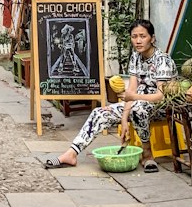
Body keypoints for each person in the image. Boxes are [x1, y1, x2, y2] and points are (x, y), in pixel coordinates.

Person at [45, 19, 174, 174]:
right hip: (137, 104)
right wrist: (124, 119)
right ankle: (71, 154)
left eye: (142, 36)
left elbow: (161, 96)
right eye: (134, 37)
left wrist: (133, 97)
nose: (138, 41)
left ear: (152, 38)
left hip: (161, 107)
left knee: (138, 108)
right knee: (100, 113)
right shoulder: (135, 57)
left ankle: (147, 154)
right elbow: (131, 90)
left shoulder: (163, 60)